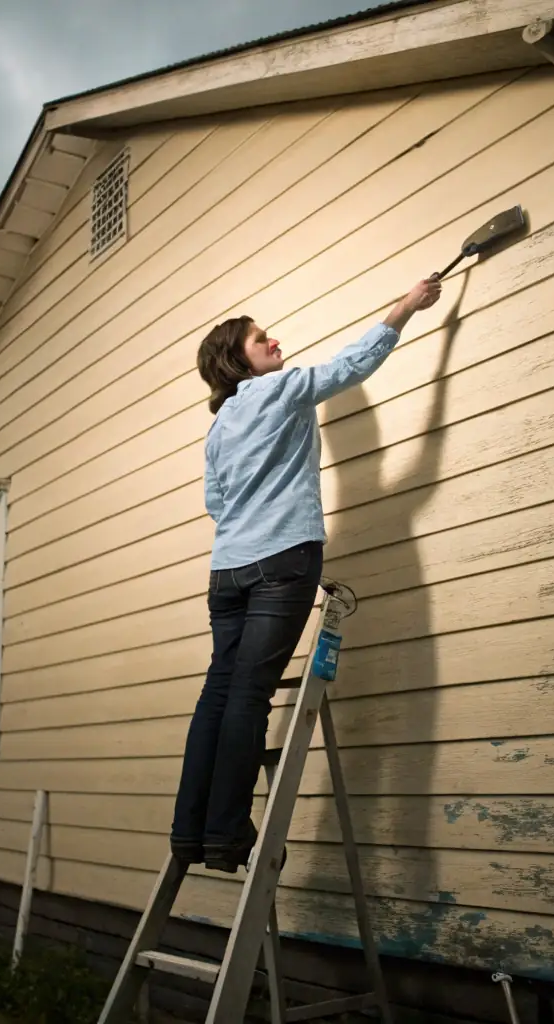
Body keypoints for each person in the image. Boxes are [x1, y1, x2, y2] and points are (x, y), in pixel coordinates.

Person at [170, 275, 443, 873]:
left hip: (228, 572)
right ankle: (225, 834)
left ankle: (190, 832)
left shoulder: (217, 430)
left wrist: (251, 511)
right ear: (235, 359)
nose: (274, 342)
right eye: (260, 338)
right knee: (247, 694)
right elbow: (351, 365)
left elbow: (217, 504)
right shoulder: (283, 390)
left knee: (218, 692)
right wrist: (407, 304)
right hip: (283, 560)